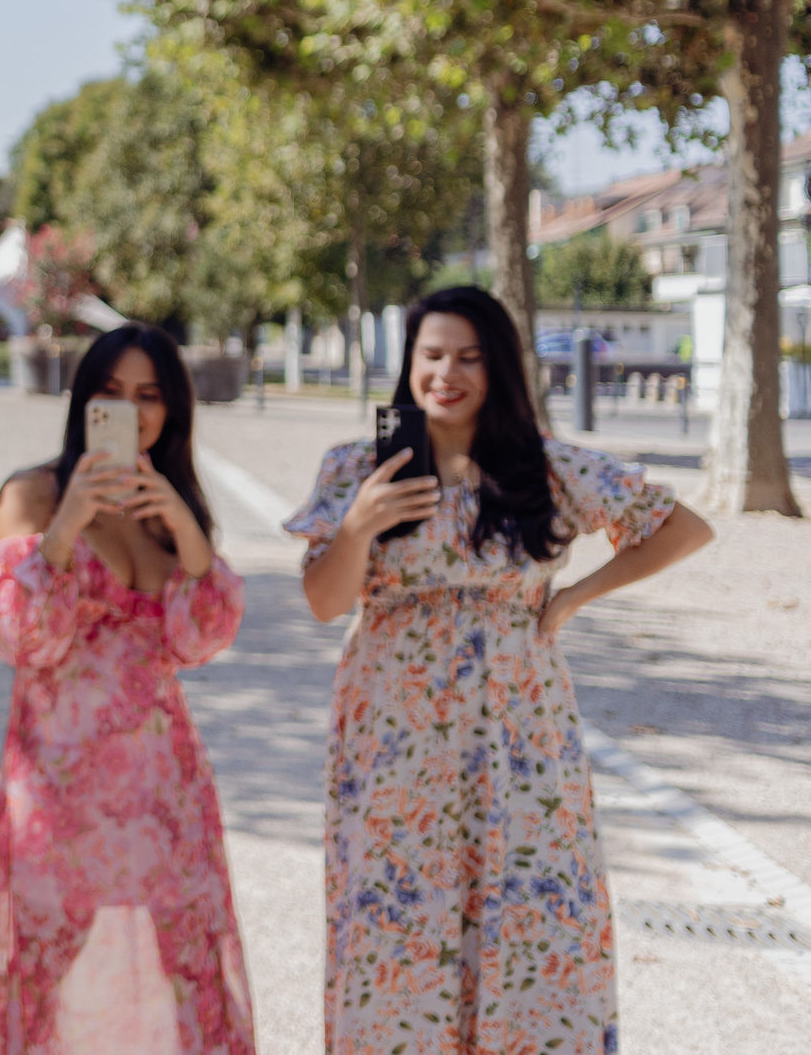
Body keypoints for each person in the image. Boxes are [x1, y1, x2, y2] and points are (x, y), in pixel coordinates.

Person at [289, 285, 713, 1055]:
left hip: (518, 723)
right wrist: (358, 524)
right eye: (431, 354)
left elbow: (680, 525)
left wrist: (577, 596)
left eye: (468, 356)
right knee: (394, 906)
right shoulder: (357, 465)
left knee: (530, 901)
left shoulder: (543, 465)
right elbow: (324, 600)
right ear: (408, 362)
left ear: (498, 366)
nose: (446, 371)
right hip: (393, 728)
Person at [0, 324, 252, 1053]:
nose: (131, 407)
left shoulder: (167, 511)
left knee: (189, 967)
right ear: (84, 400)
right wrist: (65, 526)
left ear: (171, 410)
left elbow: (205, 635)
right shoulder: (33, 494)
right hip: (56, 783)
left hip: (164, 786)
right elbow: (19, 636)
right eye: (112, 392)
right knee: (46, 967)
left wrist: (183, 520)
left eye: (149, 395)